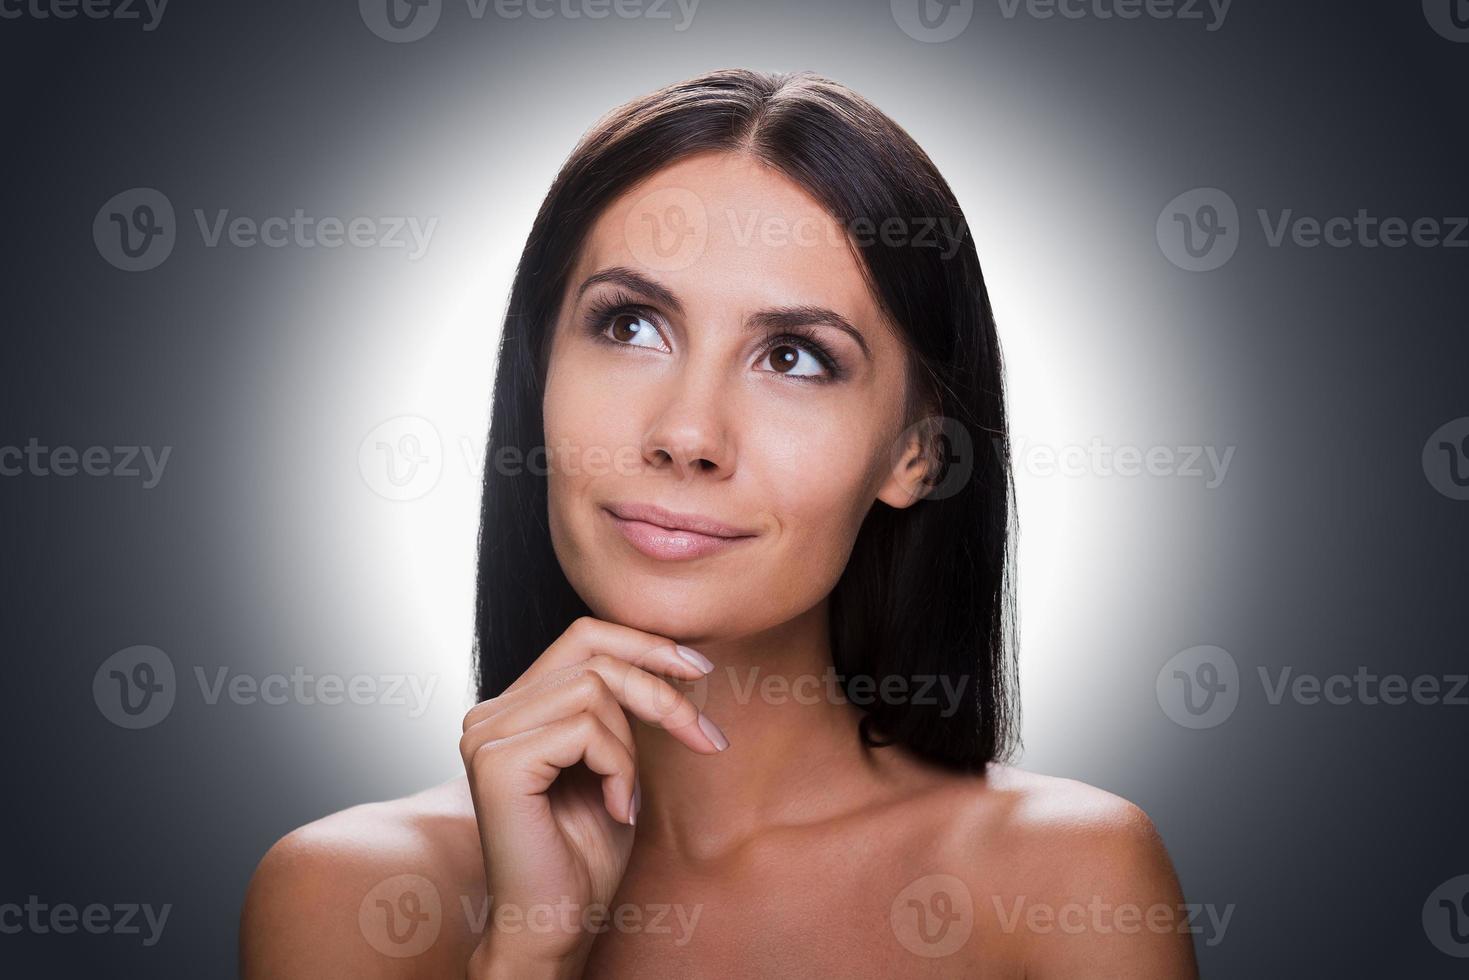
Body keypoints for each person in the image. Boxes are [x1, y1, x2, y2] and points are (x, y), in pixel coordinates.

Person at [240, 68, 1198, 979]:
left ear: (917, 453)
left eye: (792, 357)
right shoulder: (344, 892)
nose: (686, 435)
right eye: (629, 326)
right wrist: (526, 955)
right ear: (539, 371)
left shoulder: (1068, 883)